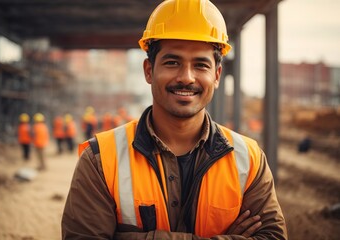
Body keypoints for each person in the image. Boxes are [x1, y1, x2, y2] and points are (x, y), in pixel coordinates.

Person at [62, 0, 287, 239]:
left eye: (200, 65)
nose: (186, 77)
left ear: (217, 75)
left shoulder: (248, 159)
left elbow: (273, 236)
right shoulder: (100, 159)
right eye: (172, 62)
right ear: (149, 70)